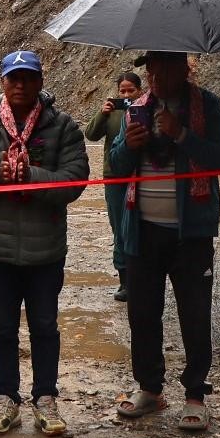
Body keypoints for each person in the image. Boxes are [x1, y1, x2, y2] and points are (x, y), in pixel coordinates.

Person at [0, 51, 89, 438]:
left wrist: (31, 175)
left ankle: (45, 398)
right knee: (2, 327)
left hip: (45, 248)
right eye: (13, 78)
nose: (20, 85)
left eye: (28, 78)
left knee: (45, 326)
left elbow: (76, 179)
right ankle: (6, 398)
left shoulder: (61, 125)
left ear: (40, 81)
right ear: (2, 82)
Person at [109, 51, 220, 433]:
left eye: (164, 68)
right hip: (142, 231)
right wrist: (129, 145)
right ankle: (150, 388)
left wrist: (181, 134)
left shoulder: (206, 106)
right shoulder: (136, 109)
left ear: (183, 69)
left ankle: (195, 394)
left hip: (191, 234)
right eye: (151, 70)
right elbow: (115, 167)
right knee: (142, 314)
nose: (156, 76)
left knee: (194, 314)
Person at [85, 72, 143, 301]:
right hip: (115, 178)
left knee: (142, 228)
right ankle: (125, 281)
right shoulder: (111, 112)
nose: (127, 95)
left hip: (141, 176)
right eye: (122, 91)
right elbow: (90, 134)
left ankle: (142, 279)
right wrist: (102, 113)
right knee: (119, 228)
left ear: (140, 90)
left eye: (131, 90)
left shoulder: (146, 109)